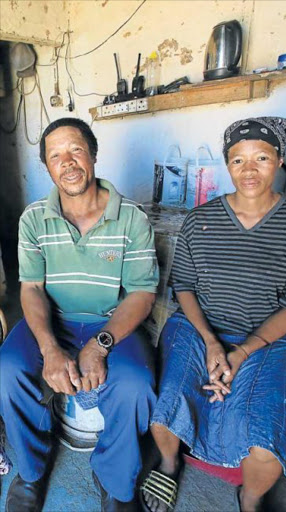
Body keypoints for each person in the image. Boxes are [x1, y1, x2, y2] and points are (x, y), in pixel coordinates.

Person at [140, 117, 286, 512]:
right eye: (238, 160)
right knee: (165, 410)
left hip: (268, 338)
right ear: (227, 166)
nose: (249, 170)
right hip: (198, 327)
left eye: (261, 157)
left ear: (278, 160)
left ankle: (251, 496)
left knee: (264, 440)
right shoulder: (200, 220)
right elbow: (185, 288)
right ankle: (170, 463)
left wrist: (240, 353)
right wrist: (211, 342)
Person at [0, 117, 159, 512]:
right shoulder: (34, 219)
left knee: (136, 383)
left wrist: (101, 344)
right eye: (55, 155)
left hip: (111, 322)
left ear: (92, 155)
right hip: (52, 320)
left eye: (75, 150)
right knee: (7, 371)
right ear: (48, 167)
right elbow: (31, 289)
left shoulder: (132, 218)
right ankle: (32, 471)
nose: (67, 162)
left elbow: (141, 293)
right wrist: (50, 348)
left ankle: (115, 478)